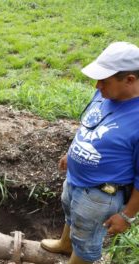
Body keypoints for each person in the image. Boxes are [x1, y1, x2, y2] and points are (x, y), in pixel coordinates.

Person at [41, 42, 139, 264]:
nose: (97, 85)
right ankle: (66, 245)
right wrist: (71, 153)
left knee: (86, 238)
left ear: (130, 80)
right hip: (75, 180)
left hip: (100, 195)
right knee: (71, 214)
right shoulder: (105, 94)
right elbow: (88, 125)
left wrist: (126, 216)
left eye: (104, 81)